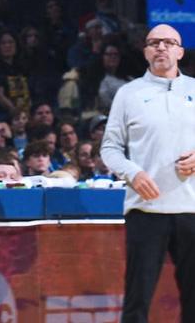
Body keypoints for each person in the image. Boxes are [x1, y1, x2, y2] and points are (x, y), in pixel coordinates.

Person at [101, 24, 195, 322]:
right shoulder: (128, 94)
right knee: (137, 301)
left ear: (180, 52)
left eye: (169, 42)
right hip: (146, 210)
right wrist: (133, 173)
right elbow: (110, 148)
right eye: (154, 43)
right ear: (145, 52)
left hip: (192, 209)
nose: (161, 47)